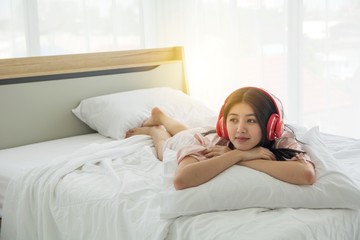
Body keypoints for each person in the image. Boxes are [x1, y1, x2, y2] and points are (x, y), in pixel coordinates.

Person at [126, 87, 316, 190]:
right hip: (191, 140)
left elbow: (306, 175)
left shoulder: (281, 138)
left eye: (251, 120)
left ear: (270, 125)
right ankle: (157, 128)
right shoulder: (210, 143)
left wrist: (246, 158)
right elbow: (182, 179)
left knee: (187, 131)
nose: (240, 129)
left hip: (196, 133)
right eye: (233, 120)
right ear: (224, 123)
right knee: (165, 148)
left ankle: (162, 118)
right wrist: (236, 156)